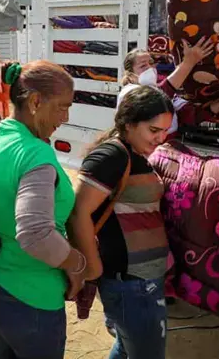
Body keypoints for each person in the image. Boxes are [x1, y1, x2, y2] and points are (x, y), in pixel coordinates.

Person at [0, 60, 86, 359]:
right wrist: (76, 264)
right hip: (33, 301)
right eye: (62, 107)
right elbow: (35, 235)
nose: (65, 117)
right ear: (36, 101)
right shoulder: (35, 153)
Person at [70, 86, 175, 359]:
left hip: (141, 281)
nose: (161, 139)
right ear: (129, 123)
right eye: (154, 131)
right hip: (130, 284)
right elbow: (78, 213)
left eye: (165, 131)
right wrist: (92, 269)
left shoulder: (133, 153)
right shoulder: (112, 156)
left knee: (128, 349)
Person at [116, 38, 215, 134]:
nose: (150, 68)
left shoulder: (161, 92)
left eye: (151, 63)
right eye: (143, 66)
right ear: (130, 73)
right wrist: (189, 62)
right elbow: (155, 99)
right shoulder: (128, 92)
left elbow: (189, 114)